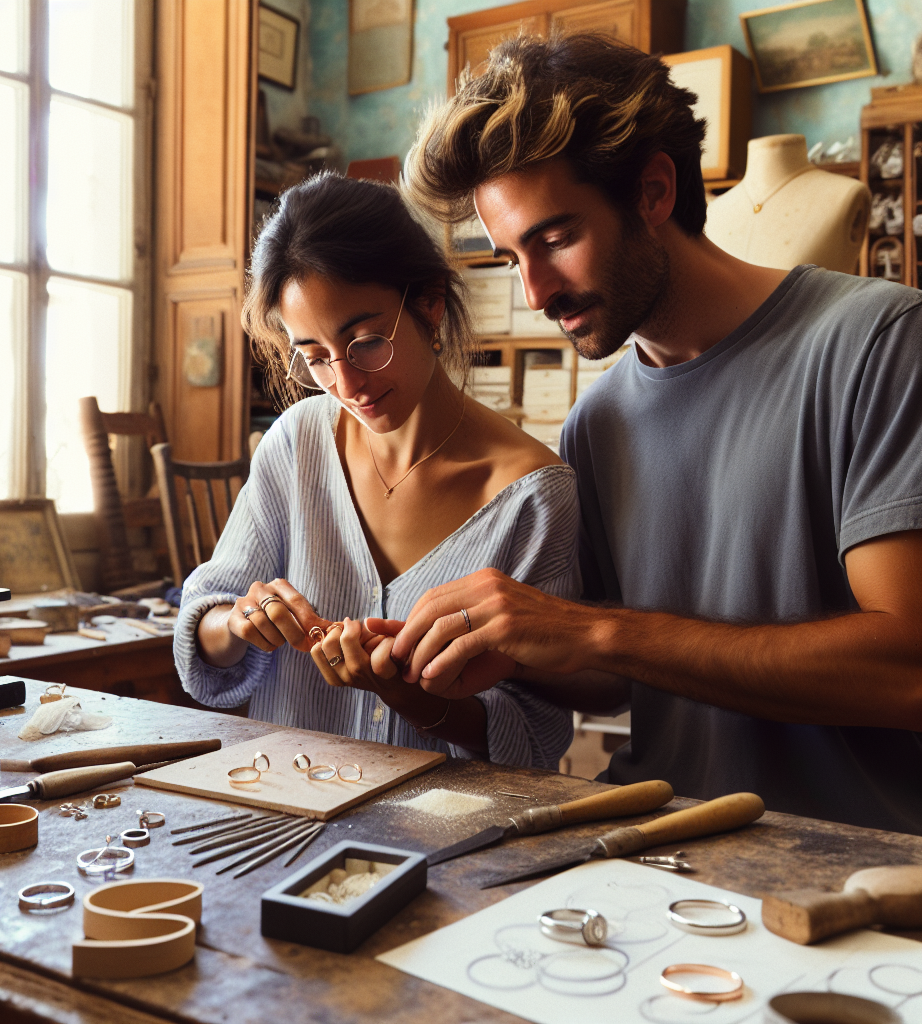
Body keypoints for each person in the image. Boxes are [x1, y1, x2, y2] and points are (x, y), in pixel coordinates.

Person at [385, 34, 922, 832]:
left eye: (556, 238)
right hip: (657, 840)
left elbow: (907, 669)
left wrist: (593, 629)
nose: (535, 293)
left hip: (852, 867)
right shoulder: (597, 424)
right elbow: (620, 676)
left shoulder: (878, 342)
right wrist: (512, 655)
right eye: (509, 259)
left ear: (654, 191)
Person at [174, 172, 578, 769]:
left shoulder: (532, 498)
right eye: (314, 358)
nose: (347, 384)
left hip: (445, 844)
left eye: (364, 342)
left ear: (431, 304)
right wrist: (237, 622)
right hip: (286, 818)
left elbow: (535, 733)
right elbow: (202, 635)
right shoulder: (296, 445)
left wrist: (409, 695)